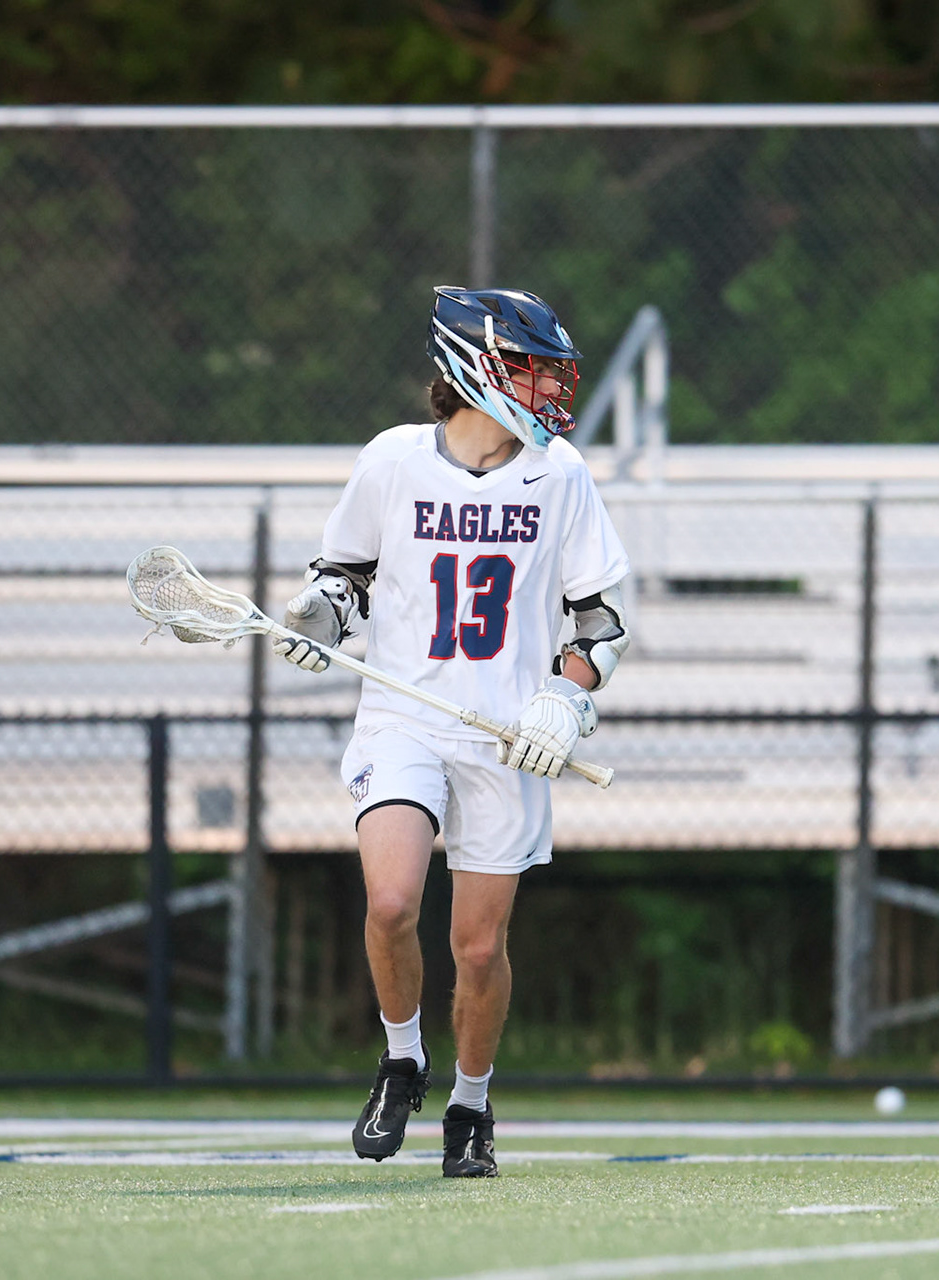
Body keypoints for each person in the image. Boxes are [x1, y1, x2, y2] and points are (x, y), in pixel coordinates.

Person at [272, 286, 631, 1178]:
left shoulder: (560, 476)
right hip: (404, 721)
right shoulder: (395, 461)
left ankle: (470, 1105)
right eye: (532, 370)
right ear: (477, 369)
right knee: (393, 903)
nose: (550, 389)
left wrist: (567, 698)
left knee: (477, 948)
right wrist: (322, 614)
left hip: (507, 737)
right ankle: (402, 1060)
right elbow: (345, 576)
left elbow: (600, 625)